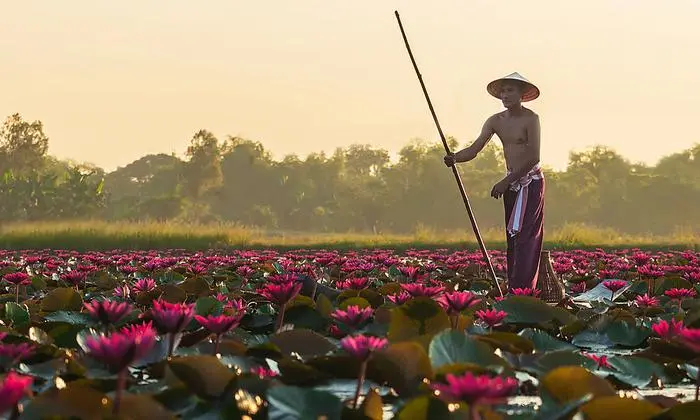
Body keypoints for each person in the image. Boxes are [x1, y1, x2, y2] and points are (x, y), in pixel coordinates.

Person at [444, 72, 544, 291]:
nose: (505, 95)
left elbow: (533, 156)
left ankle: (524, 289)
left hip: (530, 182)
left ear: (521, 94)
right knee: (512, 236)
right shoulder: (495, 121)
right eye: (503, 91)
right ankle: (513, 287)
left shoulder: (531, 119)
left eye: (511, 91)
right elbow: (474, 149)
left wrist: (505, 181)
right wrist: (455, 158)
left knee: (526, 236)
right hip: (511, 182)